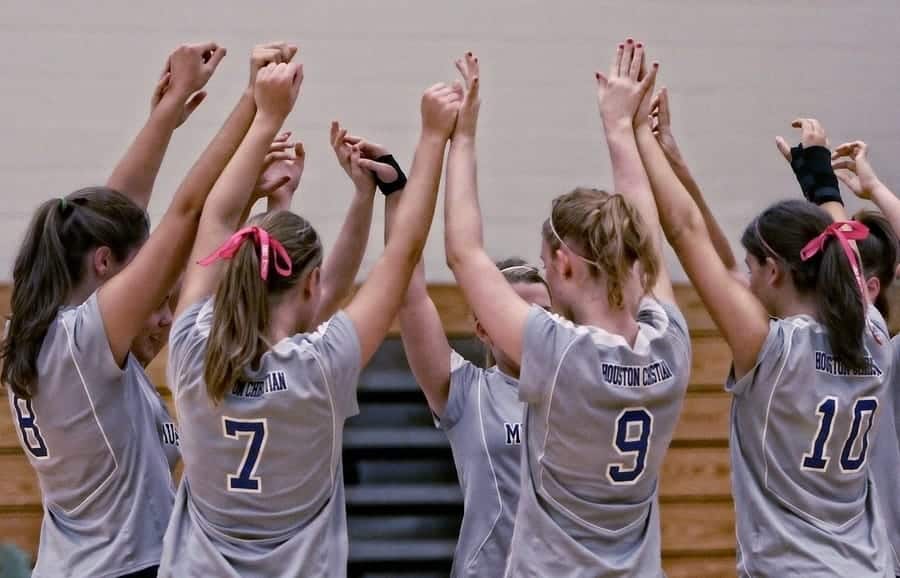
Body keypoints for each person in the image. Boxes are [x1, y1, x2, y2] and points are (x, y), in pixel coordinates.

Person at [159, 60, 461, 577]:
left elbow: (215, 214)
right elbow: (402, 252)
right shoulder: (319, 366)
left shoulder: (190, 348)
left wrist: (266, 116)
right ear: (310, 285)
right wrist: (431, 140)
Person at [640, 50, 894, 573]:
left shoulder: (774, 351)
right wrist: (820, 178)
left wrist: (635, 135)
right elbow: (837, 235)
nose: (743, 277)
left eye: (752, 267)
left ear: (774, 272)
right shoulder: (870, 329)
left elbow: (686, 235)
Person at [443, 44, 691, 577]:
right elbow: (649, 241)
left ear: (563, 262)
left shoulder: (559, 353)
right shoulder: (673, 342)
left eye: (543, 264)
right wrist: (622, 129)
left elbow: (464, 253)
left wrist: (461, 138)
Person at [0, 42, 235, 578]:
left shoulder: (42, 330)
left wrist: (170, 108)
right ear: (104, 265)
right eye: (140, 270)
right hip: (121, 570)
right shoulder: (82, 343)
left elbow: (117, 212)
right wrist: (257, 109)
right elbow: (188, 211)